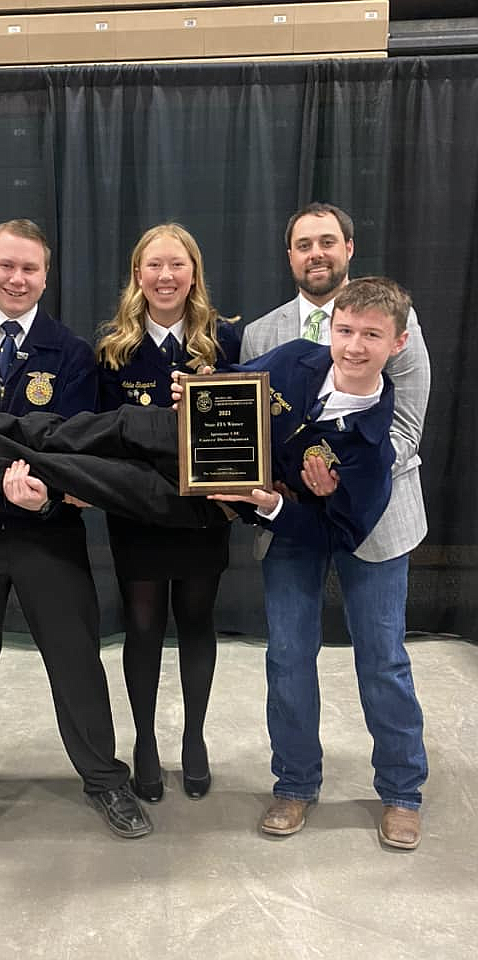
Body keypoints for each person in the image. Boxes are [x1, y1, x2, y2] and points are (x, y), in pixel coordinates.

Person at [0, 277, 419, 856]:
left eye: (370, 336)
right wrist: (201, 391)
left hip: (208, 502)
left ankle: (396, 792)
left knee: (57, 467)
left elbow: (337, 532)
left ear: (396, 345)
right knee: (43, 430)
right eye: (345, 329)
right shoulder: (300, 359)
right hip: (174, 432)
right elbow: (238, 388)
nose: (353, 345)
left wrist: (274, 502)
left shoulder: (373, 448)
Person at [0, 219, 151, 861]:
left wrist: (48, 492)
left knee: (76, 662)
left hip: (47, 531)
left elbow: (75, 447)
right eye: (6, 266)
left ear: (46, 275)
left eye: (31, 269)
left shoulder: (70, 352)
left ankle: (104, 779)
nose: (18, 279)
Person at [241, 203, 429, 850]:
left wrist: (346, 477)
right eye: (303, 244)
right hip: (289, 518)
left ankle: (402, 791)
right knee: (288, 655)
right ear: (289, 255)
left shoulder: (394, 324)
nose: (316, 253)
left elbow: (404, 431)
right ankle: (295, 783)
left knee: (383, 659)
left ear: (348, 247)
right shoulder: (268, 334)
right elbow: (246, 421)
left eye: (327, 241)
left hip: (375, 523)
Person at [95, 223, 241, 802]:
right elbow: (99, 436)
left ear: (194, 274)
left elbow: (246, 430)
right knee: (145, 624)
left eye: (177, 265)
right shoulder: (112, 348)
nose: (165, 276)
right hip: (137, 514)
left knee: (198, 618)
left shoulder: (225, 340)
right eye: (154, 265)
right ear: (138, 275)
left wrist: (215, 391)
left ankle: (195, 738)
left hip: (204, 512)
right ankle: (147, 743)